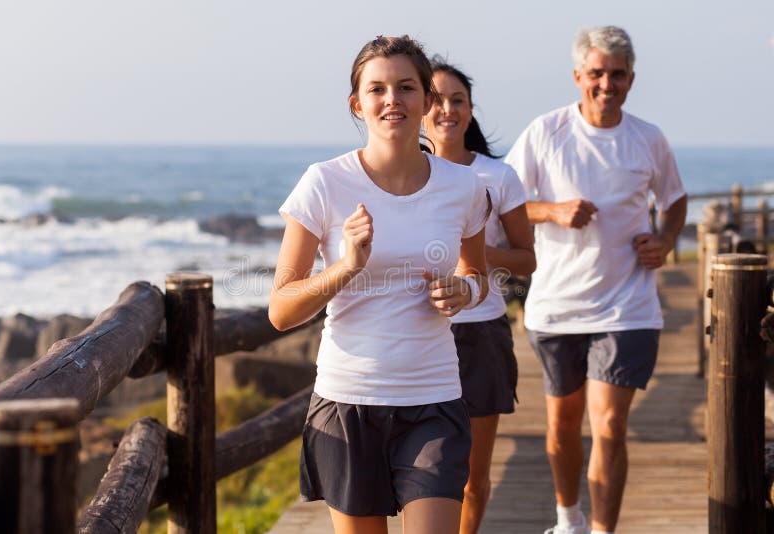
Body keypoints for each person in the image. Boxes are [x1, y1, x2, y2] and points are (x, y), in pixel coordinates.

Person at [269, 36, 491, 534]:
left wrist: (465, 292)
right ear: (358, 104)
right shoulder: (324, 183)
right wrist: (346, 266)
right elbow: (280, 309)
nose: (393, 100)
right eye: (378, 89)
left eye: (406, 87)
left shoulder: (464, 187)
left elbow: (477, 275)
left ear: (428, 101)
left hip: (433, 399)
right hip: (348, 404)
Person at [504, 26, 687, 534]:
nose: (607, 84)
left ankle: (603, 530)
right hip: (556, 306)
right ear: (578, 76)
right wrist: (552, 210)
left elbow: (674, 201)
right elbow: (505, 201)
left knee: (608, 425)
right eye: (598, 74)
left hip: (627, 306)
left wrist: (666, 239)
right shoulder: (546, 132)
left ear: (632, 79)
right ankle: (569, 521)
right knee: (563, 426)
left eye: (618, 74)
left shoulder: (647, 138)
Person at [422, 57, 536, 534]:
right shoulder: (401, 175)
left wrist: (480, 254)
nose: (447, 109)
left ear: (470, 110)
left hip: (482, 335)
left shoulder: (498, 177)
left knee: (472, 478)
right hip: (419, 338)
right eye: (436, 100)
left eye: (458, 100)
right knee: (423, 474)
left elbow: (527, 259)